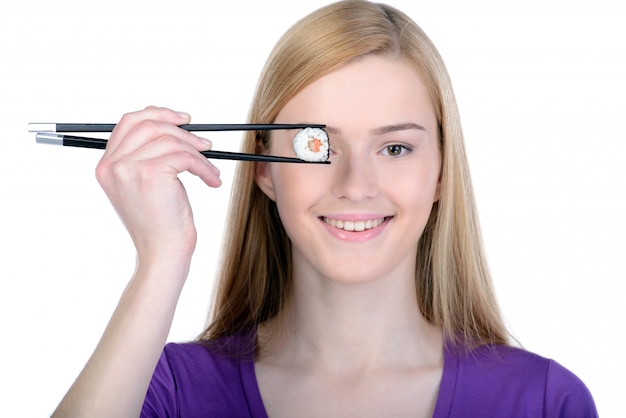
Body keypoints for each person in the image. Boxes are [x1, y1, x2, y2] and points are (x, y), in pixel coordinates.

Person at [51, 1, 597, 417]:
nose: (356, 185)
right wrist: (162, 256)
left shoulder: (545, 401)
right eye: (317, 145)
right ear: (264, 170)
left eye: (396, 148)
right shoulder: (165, 390)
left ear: (440, 175)